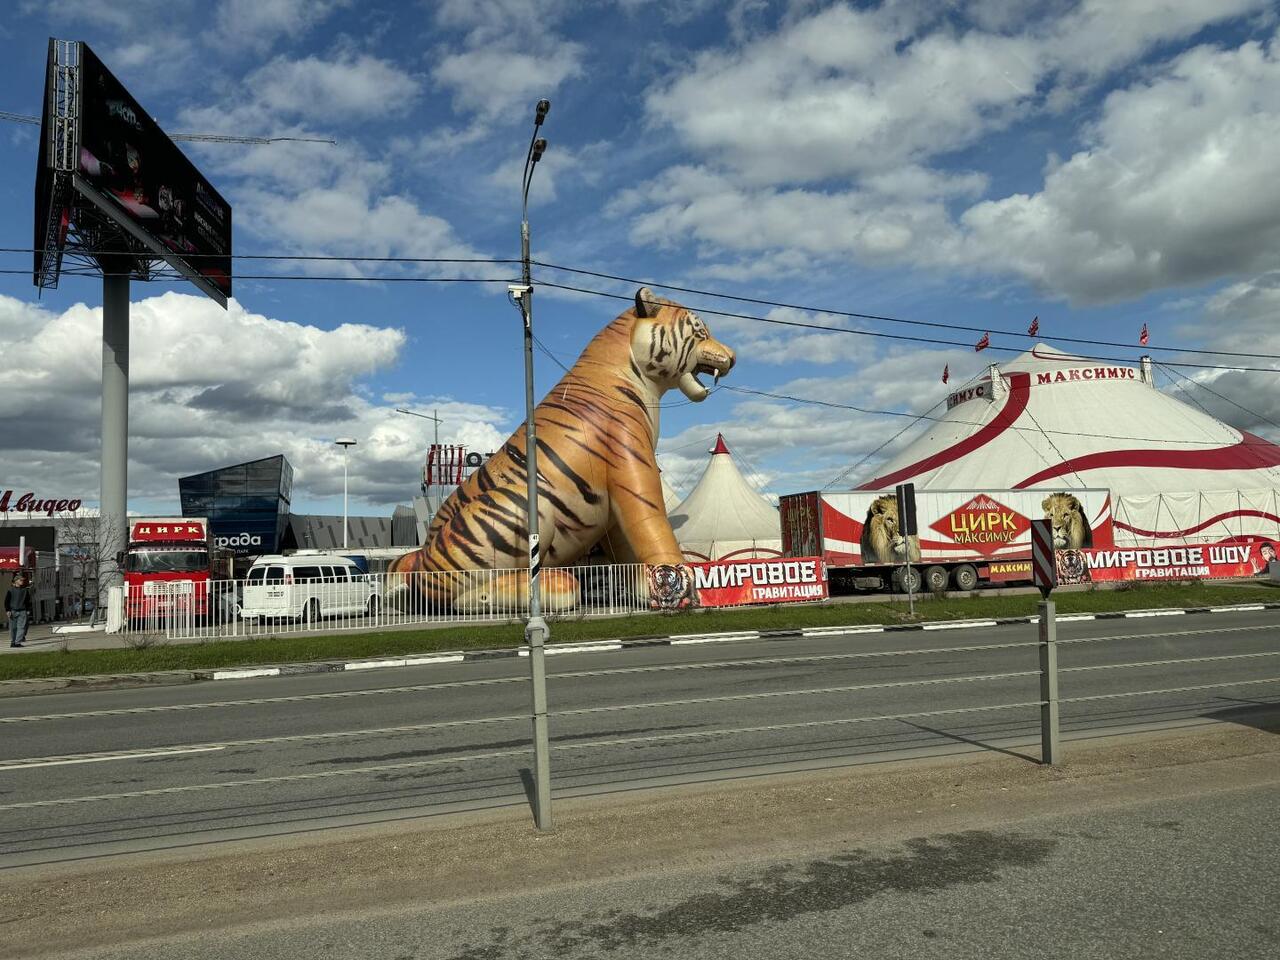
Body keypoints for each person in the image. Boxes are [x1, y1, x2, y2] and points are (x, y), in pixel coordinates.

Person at [5, 572, 34, 648]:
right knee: (13, 628)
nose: (22, 581)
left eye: (22, 580)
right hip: (13, 611)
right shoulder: (10, 590)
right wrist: (7, 610)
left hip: (22, 611)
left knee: (21, 627)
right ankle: (13, 642)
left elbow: (27, 601)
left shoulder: (25, 590)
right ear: (16, 581)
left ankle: (17, 642)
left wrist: (28, 610)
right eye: (20, 580)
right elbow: (6, 601)